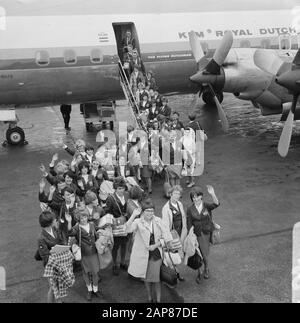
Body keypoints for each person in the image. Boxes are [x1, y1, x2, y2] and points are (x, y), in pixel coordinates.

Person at [125, 199, 173, 303]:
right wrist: (133, 215)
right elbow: (127, 229)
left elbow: (168, 238)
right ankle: (150, 298)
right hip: (142, 256)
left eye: (151, 211)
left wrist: (156, 245)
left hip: (156, 255)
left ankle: (158, 301)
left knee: (156, 279)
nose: (150, 213)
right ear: (142, 212)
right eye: (147, 211)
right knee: (146, 279)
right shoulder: (138, 222)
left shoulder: (159, 221)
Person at [186, 185, 220, 281]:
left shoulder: (206, 205)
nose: (195, 199)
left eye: (197, 196)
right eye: (193, 197)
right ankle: (199, 271)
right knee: (197, 253)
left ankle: (206, 268)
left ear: (201, 196)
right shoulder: (189, 209)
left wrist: (213, 194)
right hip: (196, 234)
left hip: (205, 233)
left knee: (204, 253)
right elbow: (189, 223)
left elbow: (216, 204)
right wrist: (190, 235)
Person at [68, 209, 102, 301]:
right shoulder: (77, 227)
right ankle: (89, 290)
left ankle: (95, 289)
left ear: (87, 216)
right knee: (86, 272)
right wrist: (69, 222)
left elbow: (97, 231)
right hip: (83, 254)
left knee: (95, 272)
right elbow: (70, 232)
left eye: (85, 217)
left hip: (94, 252)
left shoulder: (91, 224)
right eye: (81, 218)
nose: (83, 219)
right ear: (78, 219)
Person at [161, 185, 187, 281]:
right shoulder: (166, 208)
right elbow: (165, 226)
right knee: (173, 254)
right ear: (170, 194)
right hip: (172, 235)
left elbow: (183, 218)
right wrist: (169, 240)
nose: (177, 195)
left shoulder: (179, 204)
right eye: (175, 193)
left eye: (179, 194)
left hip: (180, 233)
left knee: (178, 253)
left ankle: (175, 271)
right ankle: (175, 273)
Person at [106, 177, 130, 275]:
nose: (121, 190)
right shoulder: (111, 198)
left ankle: (123, 262)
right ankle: (115, 264)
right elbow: (107, 212)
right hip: (116, 225)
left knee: (124, 244)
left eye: (122, 188)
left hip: (126, 223)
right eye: (119, 188)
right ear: (115, 188)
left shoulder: (127, 195)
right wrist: (112, 222)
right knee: (115, 246)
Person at [37, 211, 62, 303]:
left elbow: (60, 241)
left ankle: (59, 302)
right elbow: (45, 257)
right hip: (50, 266)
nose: (56, 220)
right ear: (49, 223)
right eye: (54, 220)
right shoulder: (41, 238)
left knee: (59, 286)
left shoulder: (54, 229)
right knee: (52, 288)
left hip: (58, 262)